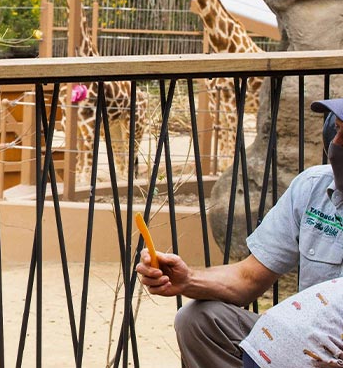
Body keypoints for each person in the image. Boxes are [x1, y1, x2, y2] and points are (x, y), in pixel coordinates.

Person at [136, 97, 343, 368]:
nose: (336, 143)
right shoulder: (312, 188)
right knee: (198, 320)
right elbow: (248, 277)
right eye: (337, 129)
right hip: (307, 342)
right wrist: (187, 279)